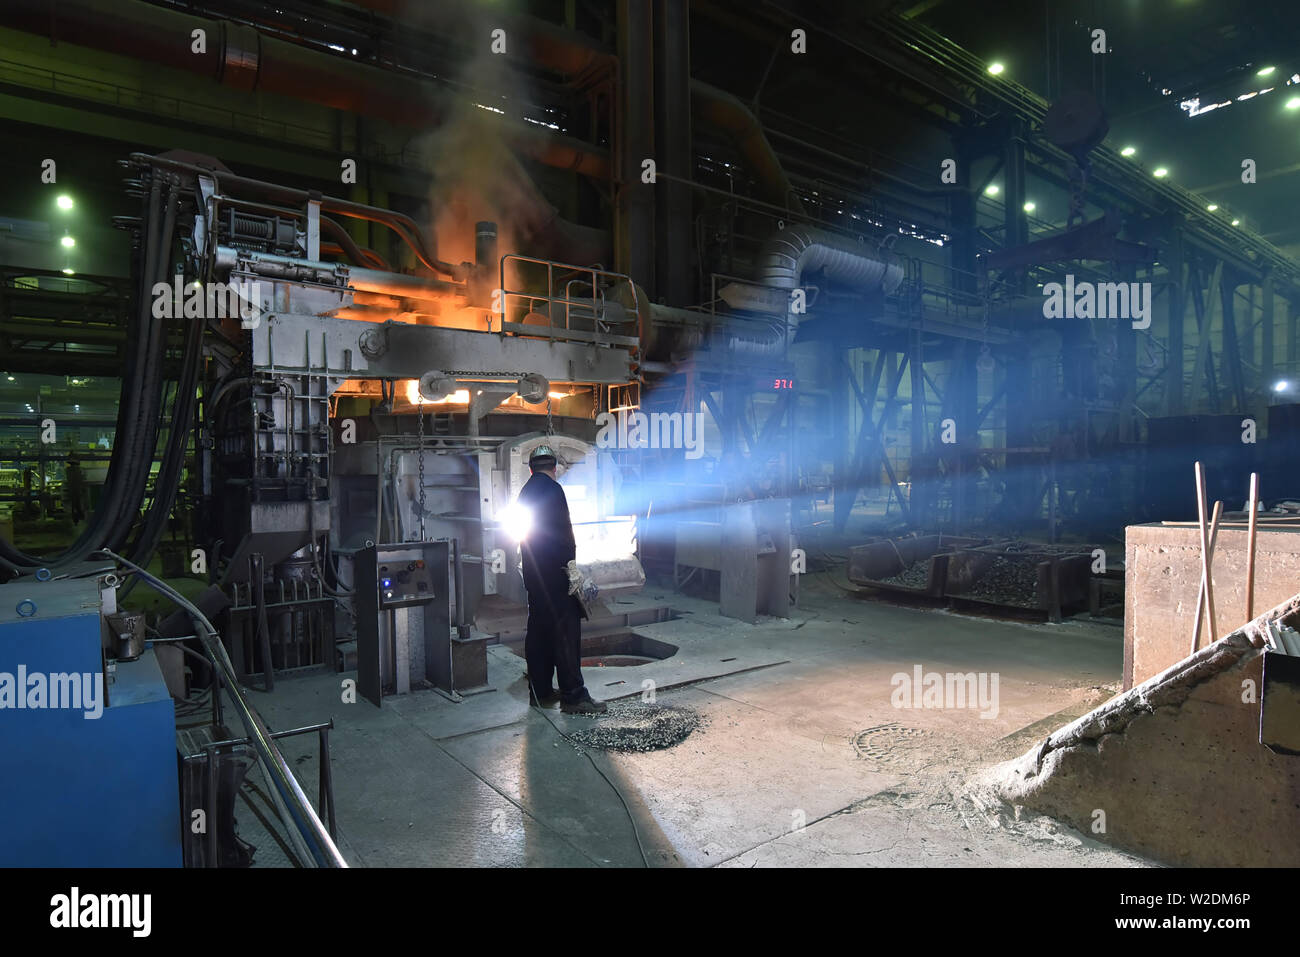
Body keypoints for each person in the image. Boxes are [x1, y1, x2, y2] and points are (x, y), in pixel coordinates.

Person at [516, 444, 606, 714]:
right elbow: (563, 533)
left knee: (539, 632)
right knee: (566, 633)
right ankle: (574, 697)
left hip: (534, 576)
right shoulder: (555, 490)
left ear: (531, 469)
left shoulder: (525, 493)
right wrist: (572, 570)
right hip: (556, 575)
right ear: (554, 469)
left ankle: (540, 692)